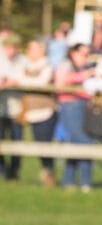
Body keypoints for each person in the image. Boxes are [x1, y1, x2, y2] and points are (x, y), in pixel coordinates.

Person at [54, 38, 96, 192]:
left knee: (77, 142)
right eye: (82, 53)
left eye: (87, 54)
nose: (85, 57)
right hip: (70, 107)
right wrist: (84, 76)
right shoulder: (66, 66)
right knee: (83, 142)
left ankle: (69, 181)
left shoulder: (84, 67)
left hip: (82, 106)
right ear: (73, 53)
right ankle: (85, 181)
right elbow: (61, 82)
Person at [19, 38, 58, 186]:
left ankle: (49, 173)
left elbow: (41, 82)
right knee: (37, 144)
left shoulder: (47, 65)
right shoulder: (26, 65)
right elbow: (19, 77)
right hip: (31, 111)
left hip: (45, 111)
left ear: (41, 51)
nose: (29, 51)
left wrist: (23, 81)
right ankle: (46, 172)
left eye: (32, 48)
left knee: (44, 144)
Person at [0, 32, 26, 180]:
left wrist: (10, 81)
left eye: (14, 47)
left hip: (17, 108)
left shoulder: (23, 60)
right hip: (1, 107)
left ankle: (14, 172)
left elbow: (22, 77)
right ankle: (1, 171)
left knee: (17, 140)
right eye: (8, 47)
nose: (11, 50)